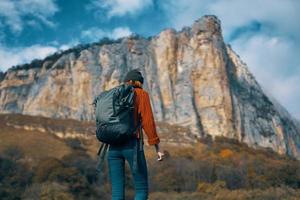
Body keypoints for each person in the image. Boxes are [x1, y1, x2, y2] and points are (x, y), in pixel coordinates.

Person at [107, 69, 164, 200]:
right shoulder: (141, 94)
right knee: (141, 189)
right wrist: (157, 147)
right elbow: (148, 122)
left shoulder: (114, 94)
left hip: (113, 146)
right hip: (132, 146)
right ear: (138, 82)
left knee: (117, 192)